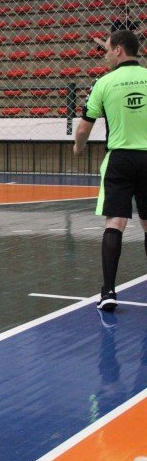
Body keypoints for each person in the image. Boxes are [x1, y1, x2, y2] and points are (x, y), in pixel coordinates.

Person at [73, 30, 147, 311]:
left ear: (118, 50)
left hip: (119, 159)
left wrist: (78, 148)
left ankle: (108, 293)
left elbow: (84, 127)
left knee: (115, 222)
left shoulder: (104, 83)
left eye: (106, 49)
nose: (104, 54)